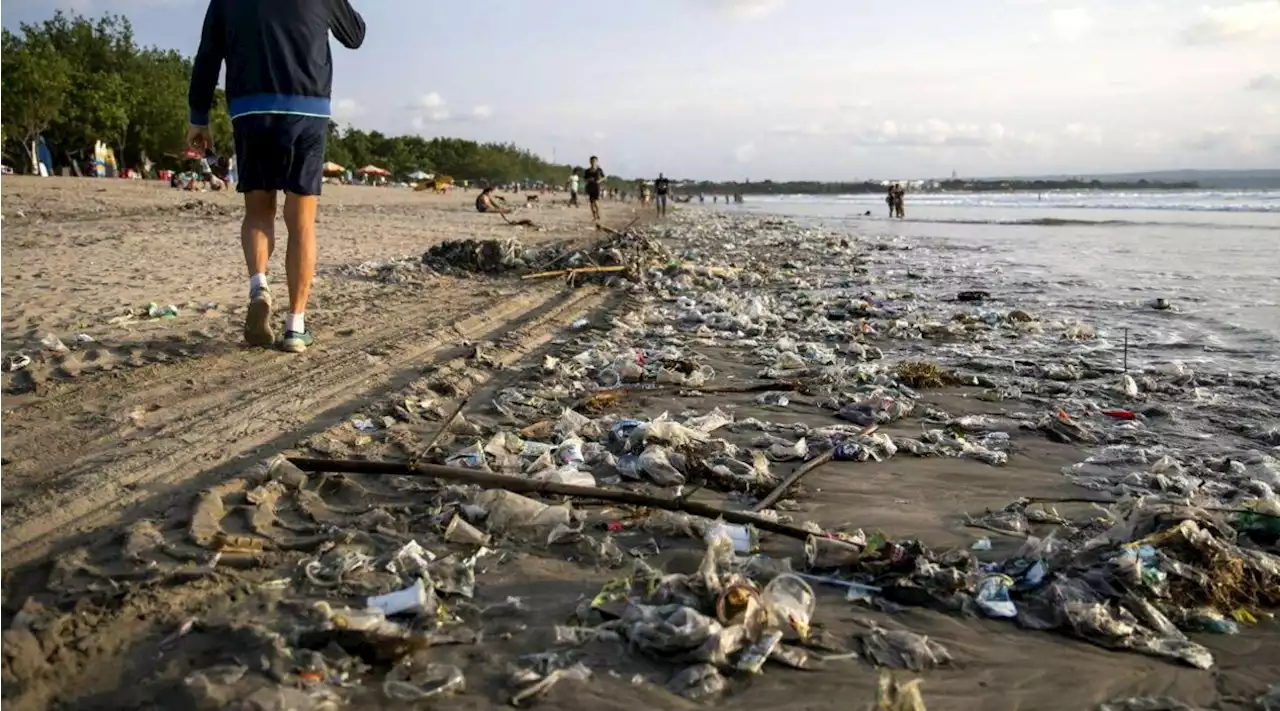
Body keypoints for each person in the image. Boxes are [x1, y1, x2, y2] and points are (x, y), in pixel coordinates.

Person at [187, 0, 366, 354]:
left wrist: (198, 117)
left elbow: (208, 54)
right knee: (301, 222)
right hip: (307, 107)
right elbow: (355, 35)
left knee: (258, 210)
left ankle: (259, 286)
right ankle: (295, 326)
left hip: (250, 108)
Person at [583, 156, 605, 222]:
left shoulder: (599, 170)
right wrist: (588, 180)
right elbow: (584, 179)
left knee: (596, 202)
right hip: (590, 186)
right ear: (590, 162)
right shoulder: (587, 171)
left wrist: (599, 181)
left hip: (596, 186)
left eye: (594, 161)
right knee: (591, 202)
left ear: (597, 161)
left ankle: (598, 215)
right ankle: (594, 216)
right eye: (592, 161)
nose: (593, 162)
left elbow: (604, 178)